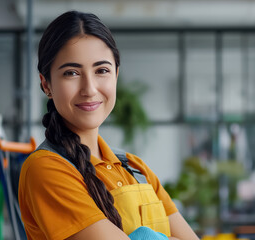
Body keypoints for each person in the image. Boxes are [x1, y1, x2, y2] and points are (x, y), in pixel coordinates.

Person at [18, 10, 199, 240]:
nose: (90, 88)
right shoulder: (47, 168)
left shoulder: (136, 168)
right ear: (46, 85)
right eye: (71, 73)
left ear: (116, 75)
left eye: (101, 70)